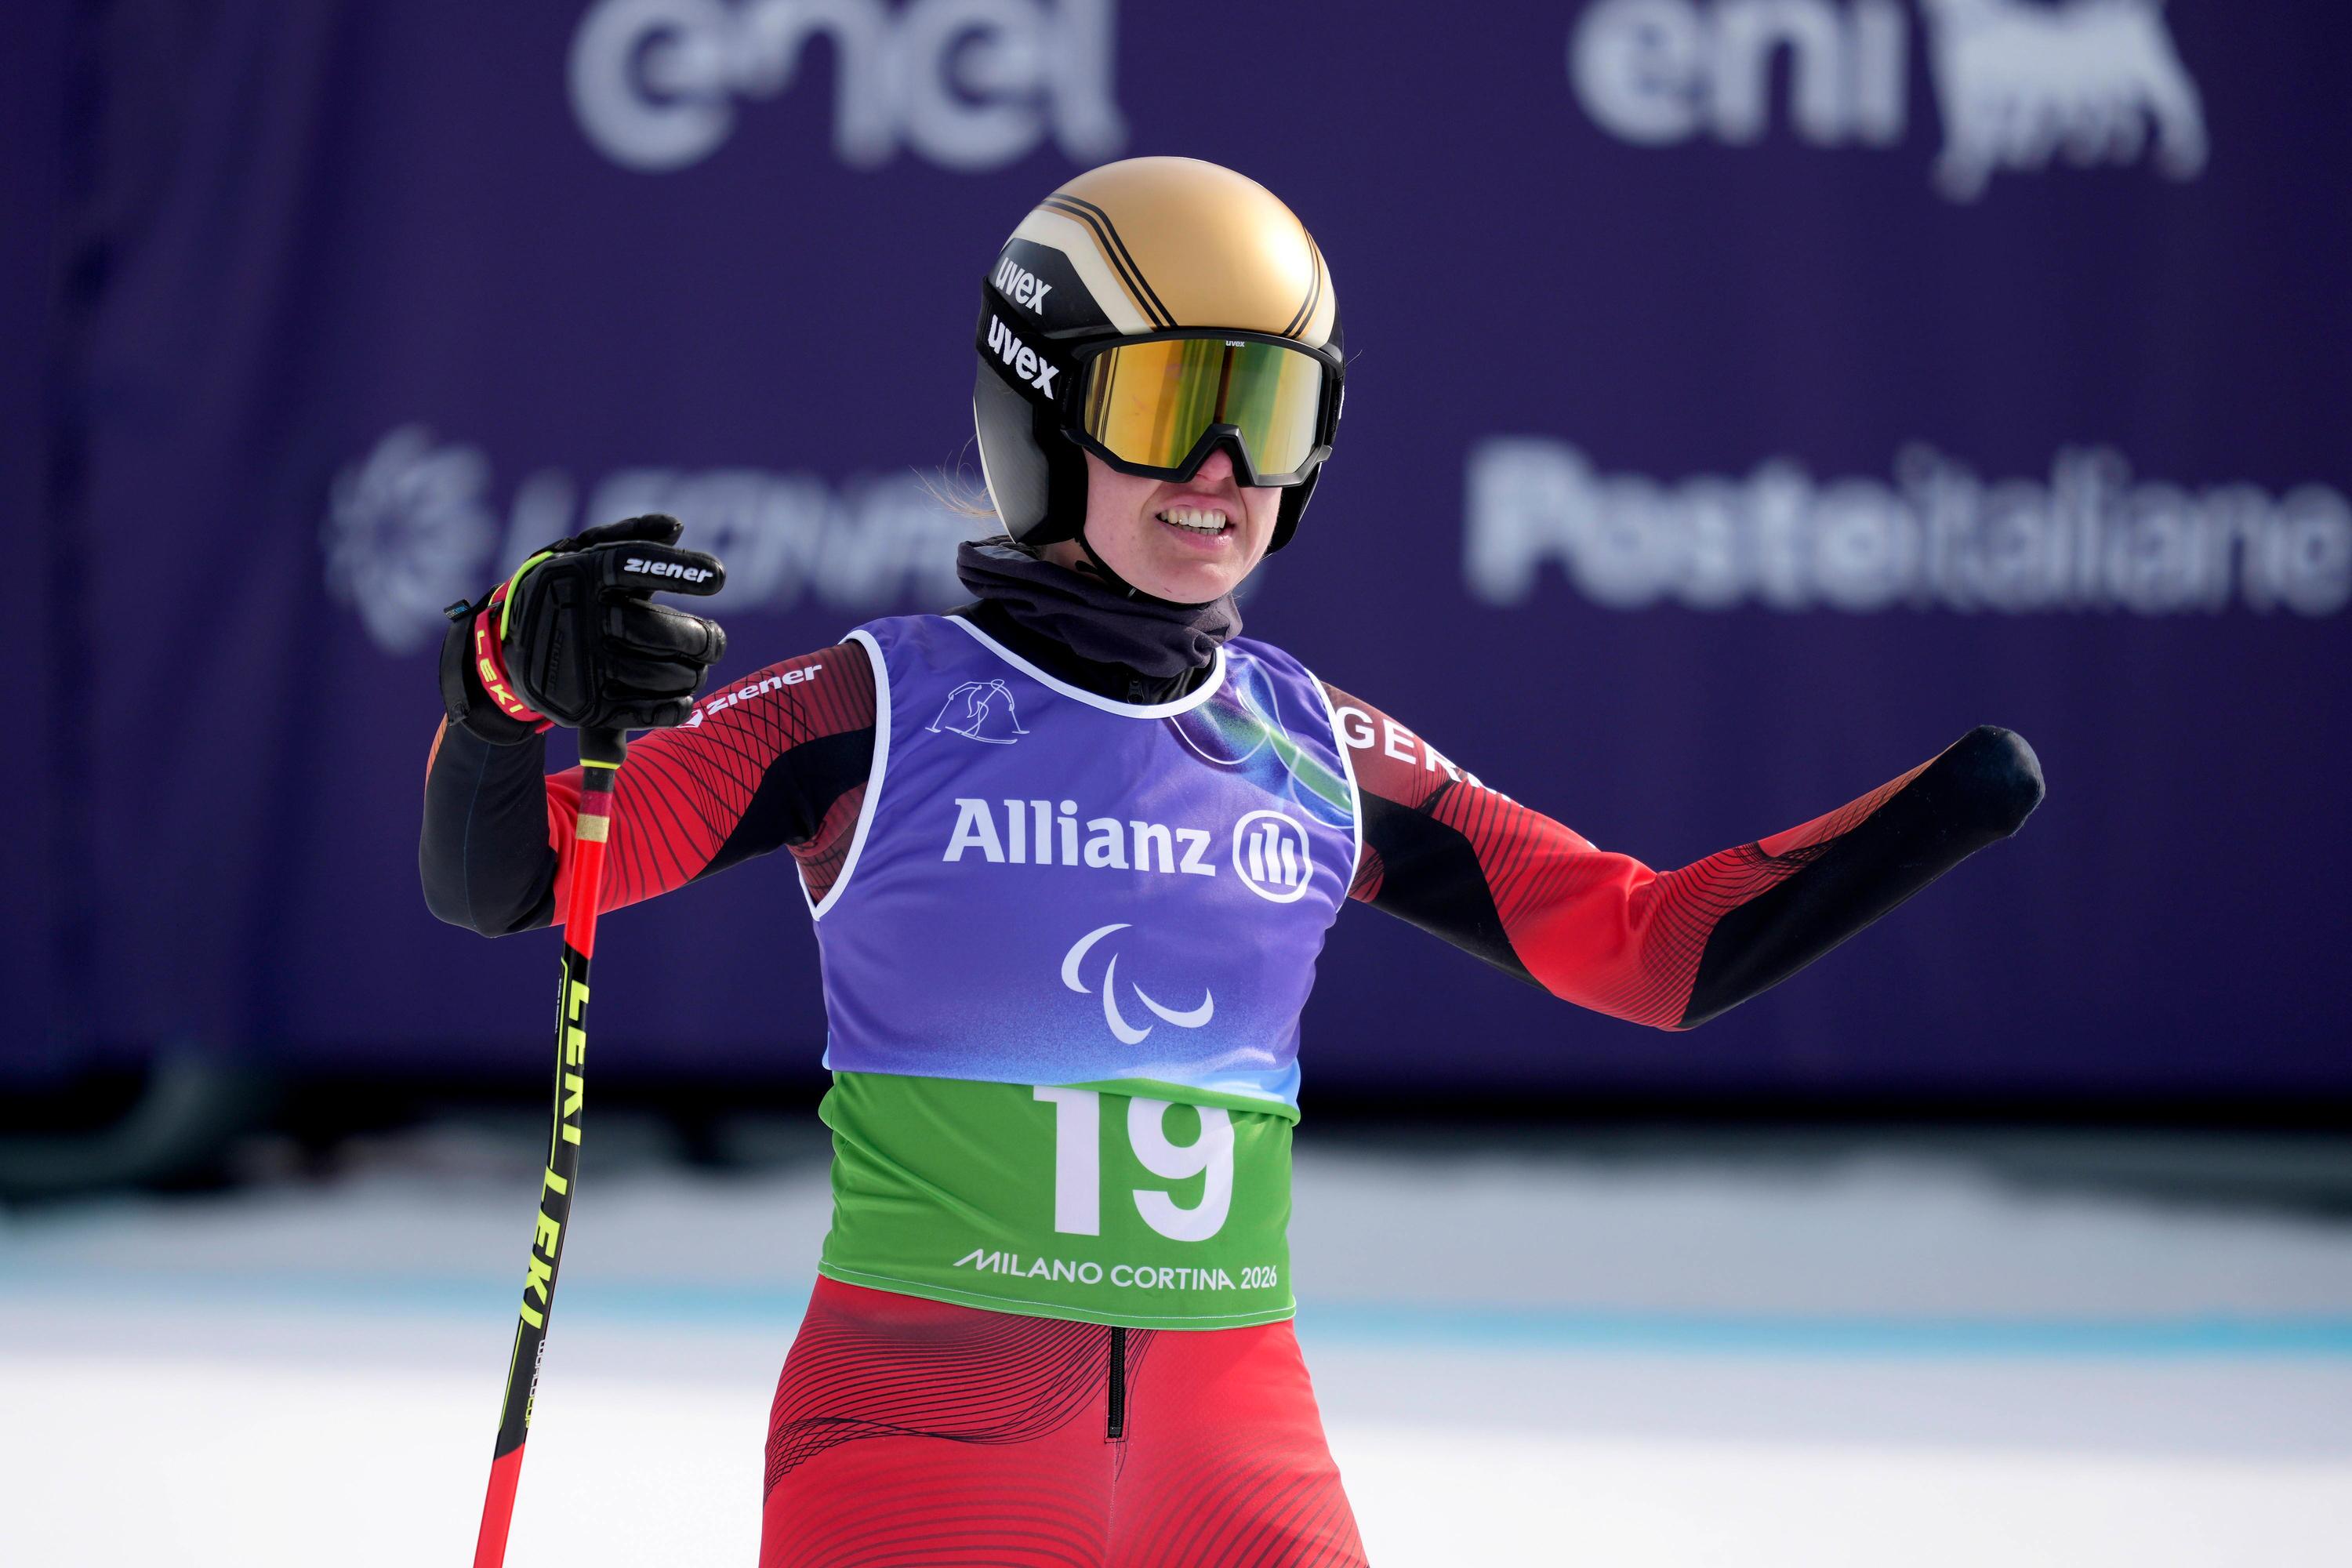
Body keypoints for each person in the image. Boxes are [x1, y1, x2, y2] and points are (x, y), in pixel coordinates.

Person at [421, 157, 2043, 1567]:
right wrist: (501, 683)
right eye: (1164, 407)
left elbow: (1647, 949)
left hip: (1236, 1461)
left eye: (1265, 414)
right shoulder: (870, 709)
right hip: (918, 1437)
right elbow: (505, 882)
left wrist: (1941, 809)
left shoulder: (1317, 747)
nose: (1218, 471)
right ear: (1041, 414)